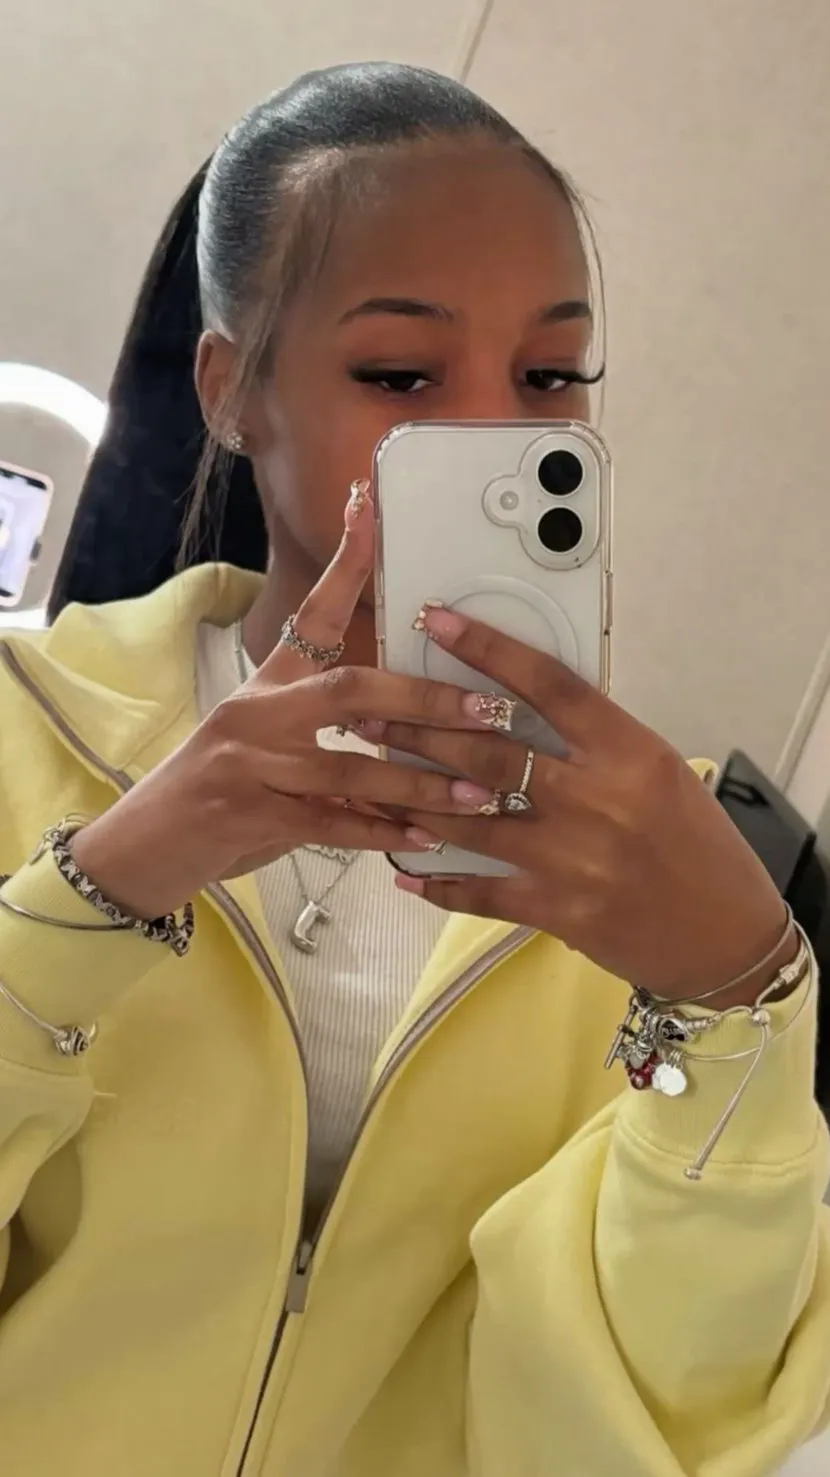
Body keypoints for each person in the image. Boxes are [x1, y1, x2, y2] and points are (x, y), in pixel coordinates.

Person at [0, 61, 827, 1477]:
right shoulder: (27, 734)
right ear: (231, 390)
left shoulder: (649, 866)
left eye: (549, 375)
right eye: (398, 375)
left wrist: (742, 1008)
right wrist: (101, 890)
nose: (496, 435)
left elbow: (670, 1419)